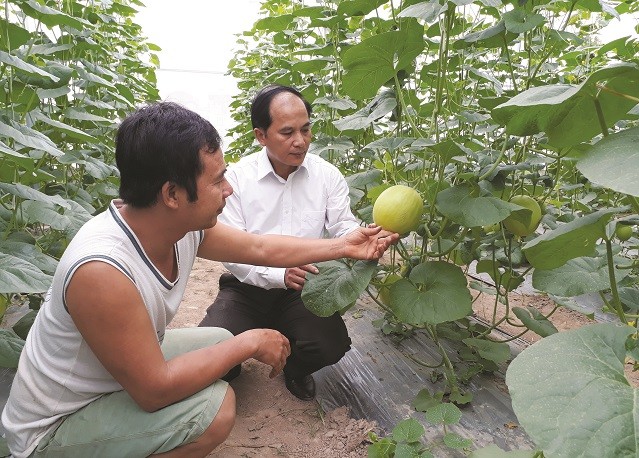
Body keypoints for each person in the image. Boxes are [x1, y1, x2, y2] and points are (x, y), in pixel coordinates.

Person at [0, 102, 398, 458]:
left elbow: (259, 248)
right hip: (57, 426)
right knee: (216, 408)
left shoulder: (179, 226)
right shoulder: (102, 271)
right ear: (172, 194)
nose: (228, 189)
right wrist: (252, 340)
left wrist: (345, 246)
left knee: (218, 343)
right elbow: (155, 391)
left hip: (106, 381)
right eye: (217, 181)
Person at [198, 84, 360, 401]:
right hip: (247, 287)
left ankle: (295, 368)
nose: (300, 141)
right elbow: (233, 252)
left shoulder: (327, 176)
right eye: (287, 132)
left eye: (306, 129)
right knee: (213, 350)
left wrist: (361, 236)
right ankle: (235, 366)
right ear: (261, 135)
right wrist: (278, 273)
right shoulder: (238, 179)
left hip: (304, 288)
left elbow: (344, 224)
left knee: (331, 344)